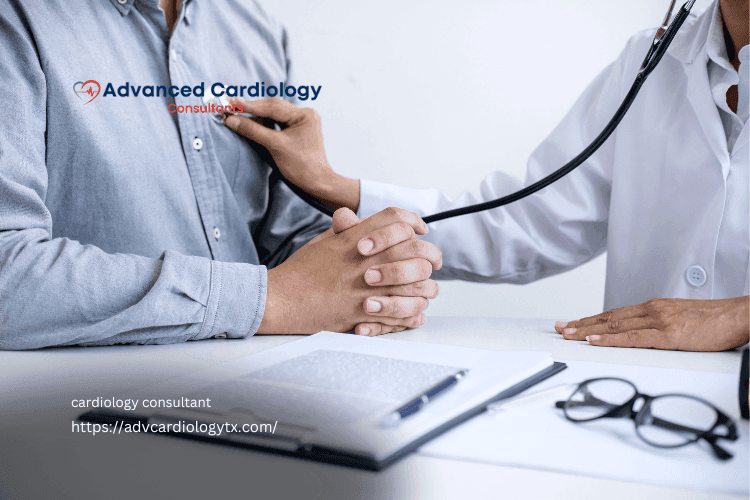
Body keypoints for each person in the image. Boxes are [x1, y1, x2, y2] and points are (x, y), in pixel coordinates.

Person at [225, 0, 749, 351]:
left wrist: (741, 317)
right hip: (641, 395)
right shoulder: (652, 59)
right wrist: (332, 186)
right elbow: (530, 221)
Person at [0, 0, 443, 350]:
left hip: (263, 384)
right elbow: (7, 274)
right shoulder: (19, 18)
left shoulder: (252, 26)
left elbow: (280, 241)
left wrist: (370, 273)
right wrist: (272, 299)